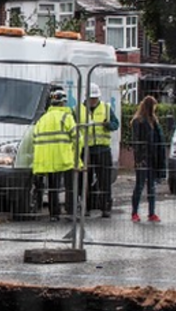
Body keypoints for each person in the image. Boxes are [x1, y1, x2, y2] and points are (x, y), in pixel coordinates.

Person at [32, 88, 78, 221]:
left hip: (48, 159)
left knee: (53, 188)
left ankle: (54, 214)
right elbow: (77, 138)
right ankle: (70, 212)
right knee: (70, 187)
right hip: (65, 158)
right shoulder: (67, 117)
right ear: (63, 103)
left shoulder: (43, 119)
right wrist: (77, 155)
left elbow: (35, 138)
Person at [78, 83, 119, 217]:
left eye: (95, 98)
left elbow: (115, 124)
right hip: (86, 150)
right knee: (85, 181)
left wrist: (109, 125)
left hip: (102, 149)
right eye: (91, 98)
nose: (93, 101)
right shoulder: (78, 110)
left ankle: (105, 208)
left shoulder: (106, 108)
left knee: (104, 181)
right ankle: (86, 207)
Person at [131, 95, 166, 223]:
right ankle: (134, 213)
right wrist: (139, 159)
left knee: (151, 187)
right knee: (139, 186)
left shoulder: (154, 121)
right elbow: (136, 142)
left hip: (153, 158)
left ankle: (151, 213)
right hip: (143, 159)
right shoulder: (138, 121)